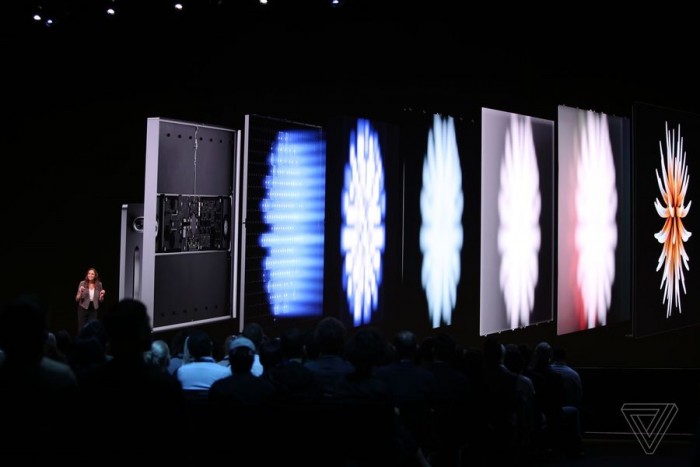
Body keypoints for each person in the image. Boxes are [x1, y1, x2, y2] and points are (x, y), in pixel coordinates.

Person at [75, 267, 106, 336]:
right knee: (82, 329)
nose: (90, 275)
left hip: (93, 309)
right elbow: (77, 299)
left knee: (92, 329)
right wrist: (80, 292)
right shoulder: (82, 283)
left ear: (95, 275)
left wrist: (101, 296)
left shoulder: (99, 284)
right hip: (82, 308)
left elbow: (101, 300)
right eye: (89, 273)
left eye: (92, 274)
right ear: (87, 275)